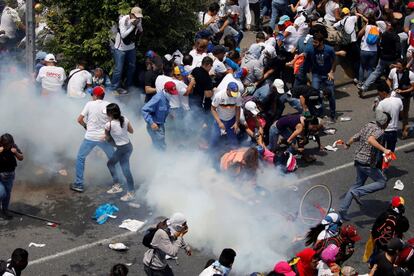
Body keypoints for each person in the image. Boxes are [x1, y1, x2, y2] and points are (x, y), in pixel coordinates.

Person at [338, 109, 392, 221]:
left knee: (358, 184)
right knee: (382, 182)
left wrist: (348, 143)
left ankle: (343, 210)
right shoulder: (380, 131)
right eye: (388, 123)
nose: (387, 126)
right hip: (366, 163)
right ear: (384, 122)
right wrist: (385, 150)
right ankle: (357, 193)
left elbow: (357, 136)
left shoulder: (369, 125)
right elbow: (371, 140)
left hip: (358, 160)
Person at [70, 87, 115, 193]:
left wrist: (86, 126)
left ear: (96, 96)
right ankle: (117, 182)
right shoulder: (108, 105)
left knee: (81, 158)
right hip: (104, 138)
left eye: (92, 94)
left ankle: (79, 184)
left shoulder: (89, 104)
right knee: (113, 159)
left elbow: (79, 120)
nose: (91, 96)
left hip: (90, 137)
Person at [358, 21, 401, 96]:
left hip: (383, 58)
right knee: (392, 74)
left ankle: (364, 87)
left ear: (390, 26)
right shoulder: (396, 37)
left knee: (375, 73)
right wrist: (398, 59)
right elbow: (398, 49)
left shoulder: (384, 34)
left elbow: (380, 44)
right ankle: (391, 91)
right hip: (392, 59)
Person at [105, 103, 135, 202]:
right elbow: (131, 131)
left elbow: (107, 138)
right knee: (118, 166)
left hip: (122, 149)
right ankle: (119, 186)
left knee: (122, 168)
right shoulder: (125, 119)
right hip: (128, 147)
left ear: (110, 114)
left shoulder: (109, 125)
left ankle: (129, 192)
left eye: (107, 113)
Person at [304, 33, 336, 122]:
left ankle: (333, 115)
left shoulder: (329, 49)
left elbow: (334, 61)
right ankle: (320, 113)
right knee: (315, 94)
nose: (313, 44)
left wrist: (331, 72)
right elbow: (304, 55)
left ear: (321, 42)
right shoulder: (310, 48)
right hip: (316, 75)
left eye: (316, 42)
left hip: (327, 75)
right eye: (313, 42)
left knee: (331, 95)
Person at [111, 6, 143, 95]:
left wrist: (139, 26)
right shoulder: (123, 20)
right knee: (118, 69)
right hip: (120, 48)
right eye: (136, 16)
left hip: (131, 47)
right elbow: (123, 35)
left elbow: (141, 30)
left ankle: (128, 86)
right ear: (131, 14)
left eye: (139, 17)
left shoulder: (139, 20)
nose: (138, 18)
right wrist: (132, 26)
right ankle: (114, 88)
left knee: (132, 67)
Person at [370, 196, 409, 261]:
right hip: (391, 245)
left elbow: (376, 225)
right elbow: (405, 228)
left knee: (376, 253)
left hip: (380, 241)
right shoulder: (402, 220)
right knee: (386, 258)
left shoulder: (385, 214)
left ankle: (372, 263)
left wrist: (375, 239)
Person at [141, 82, 174, 151]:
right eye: (171, 92)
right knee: (161, 146)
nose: (172, 94)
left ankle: (155, 157)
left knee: (158, 145)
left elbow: (163, 107)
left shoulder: (166, 97)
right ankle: (161, 159)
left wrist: (169, 113)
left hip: (160, 125)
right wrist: (152, 123)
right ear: (166, 90)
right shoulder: (158, 98)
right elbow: (144, 110)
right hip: (155, 126)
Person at [386, 59, 414, 139]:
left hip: (405, 97)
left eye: (400, 67)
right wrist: (388, 88)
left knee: (404, 114)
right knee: (391, 113)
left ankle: (405, 130)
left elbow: (413, 87)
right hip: (394, 96)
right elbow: (389, 80)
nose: (398, 69)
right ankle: (389, 130)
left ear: (404, 67)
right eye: (397, 67)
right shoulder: (393, 71)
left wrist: (403, 91)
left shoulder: (410, 74)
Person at [210, 82, 242, 149]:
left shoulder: (238, 95)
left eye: (235, 93)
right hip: (219, 120)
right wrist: (219, 122)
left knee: (233, 141)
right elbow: (213, 109)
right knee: (214, 139)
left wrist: (237, 122)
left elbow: (238, 109)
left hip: (231, 120)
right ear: (227, 90)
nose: (234, 95)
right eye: (232, 93)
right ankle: (210, 153)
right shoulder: (219, 96)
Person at [0, 133, 23, 220]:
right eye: (7, 145)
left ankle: (5, 210)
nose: (9, 146)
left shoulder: (13, 146)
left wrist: (16, 152)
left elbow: (21, 157)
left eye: (10, 144)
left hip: (9, 174)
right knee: (2, 193)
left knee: (7, 194)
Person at [375, 81, 403, 152]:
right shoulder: (399, 100)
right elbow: (401, 115)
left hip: (383, 131)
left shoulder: (381, 104)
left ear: (384, 92)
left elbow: (378, 120)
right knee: (390, 153)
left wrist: (376, 106)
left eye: (379, 93)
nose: (378, 95)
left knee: (380, 153)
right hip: (394, 132)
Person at [358, 16, 381, 85]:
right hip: (374, 51)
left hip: (364, 50)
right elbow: (378, 40)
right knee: (370, 68)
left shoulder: (367, 27)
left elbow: (359, 34)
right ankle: (366, 83)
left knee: (362, 66)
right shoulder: (378, 29)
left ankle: (360, 82)